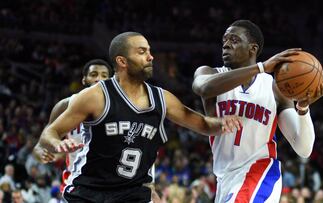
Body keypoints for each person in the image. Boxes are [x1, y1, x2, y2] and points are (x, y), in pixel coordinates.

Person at [38, 32, 242, 203]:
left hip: (132, 193)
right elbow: (50, 131)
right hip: (90, 192)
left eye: (150, 51)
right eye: (142, 52)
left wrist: (221, 123)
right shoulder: (95, 97)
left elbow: (203, 124)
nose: (151, 57)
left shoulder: (162, 99)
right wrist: (56, 143)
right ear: (122, 61)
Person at [192, 20, 323, 203]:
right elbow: (203, 88)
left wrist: (303, 108)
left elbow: (303, 148)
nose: (226, 44)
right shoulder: (210, 73)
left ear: (252, 48)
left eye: (234, 39)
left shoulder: (273, 87)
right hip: (225, 179)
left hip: (260, 173)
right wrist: (261, 67)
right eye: (224, 40)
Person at [32, 59, 113, 192]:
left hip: (111, 185)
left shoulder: (121, 109)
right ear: (84, 79)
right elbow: (40, 146)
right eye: (93, 74)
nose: (99, 79)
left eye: (104, 76)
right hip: (77, 184)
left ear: (111, 81)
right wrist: (43, 153)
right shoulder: (65, 105)